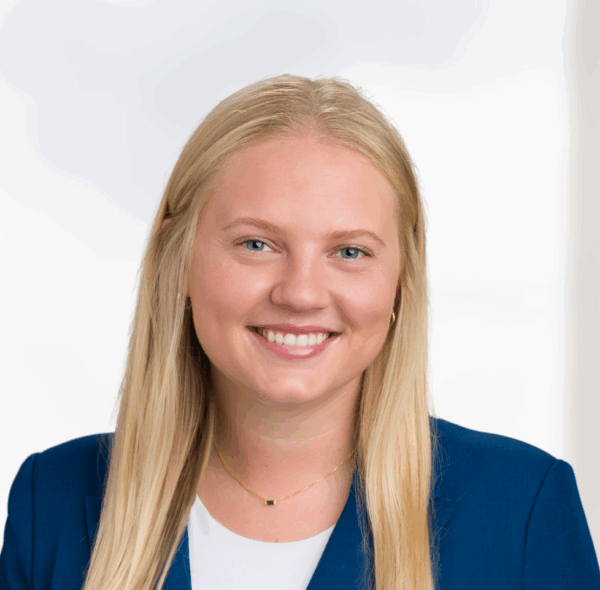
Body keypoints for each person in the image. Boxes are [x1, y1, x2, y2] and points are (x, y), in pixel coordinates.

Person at [0, 74, 599, 590]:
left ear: (401, 282)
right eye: (256, 244)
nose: (301, 293)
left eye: (350, 251)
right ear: (177, 261)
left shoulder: (521, 509)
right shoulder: (49, 501)